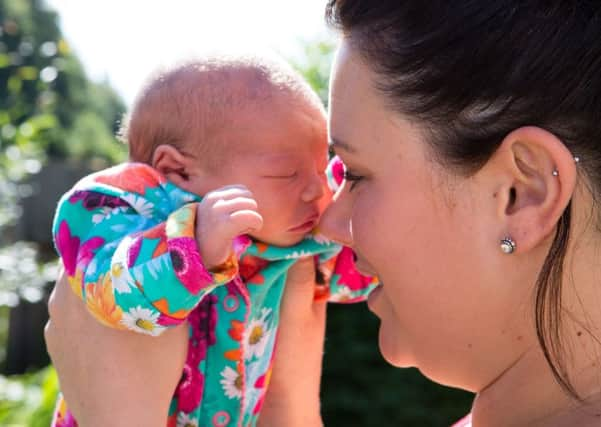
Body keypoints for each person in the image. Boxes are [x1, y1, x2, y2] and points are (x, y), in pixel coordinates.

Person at [46, 0, 601, 425]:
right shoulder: (124, 209)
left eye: (350, 174)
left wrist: (117, 413)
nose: (327, 217)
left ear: (519, 193)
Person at [49, 55, 375, 427]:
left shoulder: (292, 240)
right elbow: (110, 291)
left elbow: (367, 272)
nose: (316, 189)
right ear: (179, 170)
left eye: (322, 166)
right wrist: (189, 247)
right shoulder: (123, 208)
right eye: (287, 173)